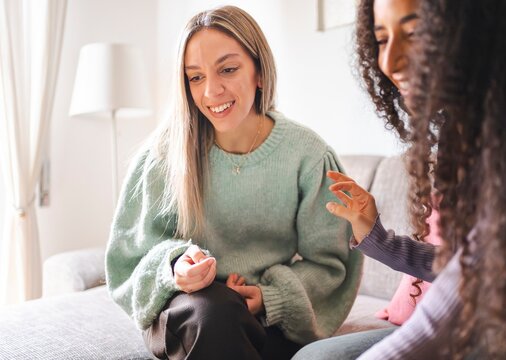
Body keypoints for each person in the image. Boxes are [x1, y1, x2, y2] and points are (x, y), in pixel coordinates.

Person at [105, 5, 362, 360]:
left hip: (265, 320)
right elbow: (126, 259)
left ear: (259, 71)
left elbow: (333, 265)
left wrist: (270, 298)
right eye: (195, 77)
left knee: (230, 318)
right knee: (216, 311)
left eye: (227, 69)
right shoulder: (161, 155)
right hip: (190, 311)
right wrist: (174, 267)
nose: (211, 92)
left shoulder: (308, 155)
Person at [295, 0, 506, 358]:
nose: (390, 62)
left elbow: (463, 292)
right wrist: (377, 238)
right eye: (382, 39)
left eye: (415, 33)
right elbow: (462, 265)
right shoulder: (475, 137)